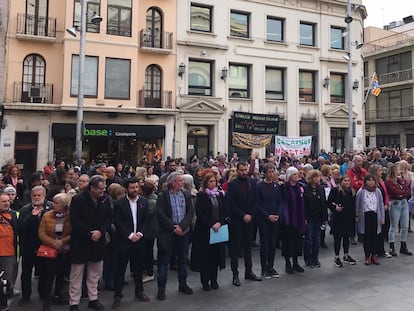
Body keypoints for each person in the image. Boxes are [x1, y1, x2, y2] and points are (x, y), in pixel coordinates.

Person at [68, 175, 112, 311]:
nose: (103, 191)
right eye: (100, 189)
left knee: (94, 273)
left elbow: (109, 217)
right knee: (76, 273)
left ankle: (93, 298)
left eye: (104, 188)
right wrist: (89, 233)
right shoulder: (78, 199)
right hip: (81, 241)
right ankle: (74, 302)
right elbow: (74, 220)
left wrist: (101, 231)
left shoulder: (106, 199)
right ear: (92, 188)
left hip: (98, 241)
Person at [111, 178, 150, 309]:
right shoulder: (119, 203)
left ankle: (139, 291)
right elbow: (117, 221)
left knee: (138, 268)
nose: (135, 190)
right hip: (124, 241)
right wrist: (129, 235)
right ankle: (117, 295)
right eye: (132, 188)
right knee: (120, 270)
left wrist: (140, 233)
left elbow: (146, 220)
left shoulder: (144, 202)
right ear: (127, 189)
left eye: (137, 187)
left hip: (139, 241)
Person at [156, 172, 194, 301]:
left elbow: (190, 213)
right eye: (179, 180)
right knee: (164, 262)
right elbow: (161, 214)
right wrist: (173, 227)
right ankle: (161, 288)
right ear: (172, 182)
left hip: (183, 233)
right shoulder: (163, 196)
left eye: (182, 180)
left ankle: (183, 284)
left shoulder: (186, 194)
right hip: (169, 234)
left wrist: (182, 227)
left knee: (183, 260)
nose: (182, 182)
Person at [190, 172, 227, 290]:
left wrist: (219, 222)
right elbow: (200, 213)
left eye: (214, 181)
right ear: (206, 183)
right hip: (205, 230)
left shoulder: (219, 195)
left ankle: (214, 279)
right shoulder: (201, 196)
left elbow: (224, 210)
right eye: (210, 181)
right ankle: (205, 281)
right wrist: (211, 224)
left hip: (218, 228)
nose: (213, 183)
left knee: (216, 256)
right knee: (206, 256)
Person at [227, 161, 261, 286]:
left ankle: (249, 271)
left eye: (245, 170)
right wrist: (243, 215)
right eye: (241, 170)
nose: (244, 172)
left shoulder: (252, 182)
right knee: (235, 248)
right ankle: (235, 274)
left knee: (248, 246)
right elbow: (231, 203)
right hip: (237, 220)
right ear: (237, 170)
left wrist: (251, 214)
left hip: (249, 219)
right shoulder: (232, 184)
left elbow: (256, 200)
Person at [17, 186, 53, 306]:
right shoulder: (24, 210)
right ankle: (26, 295)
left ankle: (43, 294)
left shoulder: (51, 207)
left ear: (44, 196)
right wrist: (32, 217)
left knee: (44, 271)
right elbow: (20, 228)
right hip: (28, 246)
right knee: (26, 272)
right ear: (31, 196)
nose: (37, 197)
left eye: (39, 195)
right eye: (34, 195)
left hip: (45, 245)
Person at [38, 193, 72, 311]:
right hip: (50, 250)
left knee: (61, 275)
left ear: (64, 205)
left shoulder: (70, 217)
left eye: (57, 203)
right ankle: (46, 301)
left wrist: (63, 241)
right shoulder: (47, 216)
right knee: (48, 276)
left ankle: (58, 295)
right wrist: (54, 243)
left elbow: (73, 232)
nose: (54, 205)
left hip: (65, 250)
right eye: (54, 202)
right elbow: (41, 233)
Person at [256, 163, 283, 279]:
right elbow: (258, 203)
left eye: (273, 172)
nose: (271, 174)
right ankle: (264, 268)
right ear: (265, 173)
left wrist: (278, 214)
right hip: (264, 219)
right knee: (265, 244)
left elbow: (280, 202)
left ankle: (271, 266)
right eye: (269, 172)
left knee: (272, 243)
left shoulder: (276, 186)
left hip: (275, 218)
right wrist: (267, 216)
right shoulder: (259, 186)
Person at [280, 166, 306, 274]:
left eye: (297, 174)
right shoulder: (284, 187)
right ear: (289, 176)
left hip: (298, 218)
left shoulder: (300, 187)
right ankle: (288, 263)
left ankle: (296, 262)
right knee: (287, 242)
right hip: (288, 218)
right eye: (294, 174)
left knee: (297, 241)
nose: (297, 176)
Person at [327, 176, 357, 267]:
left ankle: (346, 255)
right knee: (338, 238)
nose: (347, 182)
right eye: (345, 180)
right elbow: (329, 202)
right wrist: (335, 208)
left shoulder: (352, 191)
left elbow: (354, 204)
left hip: (349, 217)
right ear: (341, 181)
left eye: (348, 180)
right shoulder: (335, 191)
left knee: (346, 237)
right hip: (339, 218)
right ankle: (336, 256)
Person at [356, 175, 385, 265]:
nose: (371, 182)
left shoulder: (378, 191)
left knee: (375, 236)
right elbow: (357, 204)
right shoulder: (361, 191)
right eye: (369, 180)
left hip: (375, 215)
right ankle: (367, 255)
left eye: (373, 180)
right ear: (365, 181)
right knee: (367, 236)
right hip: (365, 215)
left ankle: (374, 255)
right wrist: (357, 215)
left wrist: (382, 217)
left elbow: (380, 204)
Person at [385, 163, 412, 256]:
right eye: (398, 169)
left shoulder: (401, 180)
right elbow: (394, 192)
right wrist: (401, 193)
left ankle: (403, 245)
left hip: (404, 202)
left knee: (404, 226)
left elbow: (408, 190)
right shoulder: (389, 181)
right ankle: (392, 246)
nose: (399, 171)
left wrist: (402, 193)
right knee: (393, 225)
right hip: (395, 202)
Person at [303, 170, 328, 268]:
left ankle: (315, 258)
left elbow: (324, 203)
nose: (318, 178)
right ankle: (308, 259)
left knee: (317, 239)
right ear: (311, 178)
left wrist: (325, 217)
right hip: (309, 217)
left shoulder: (321, 189)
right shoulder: (305, 189)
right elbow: (304, 204)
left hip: (319, 217)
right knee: (308, 239)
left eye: (319, 176)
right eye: (316, 177)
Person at [0, 194, 19, 303]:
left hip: (9, 252)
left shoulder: (15, 214)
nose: (7, 203)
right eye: (3, 201)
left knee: (7, 279)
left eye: (8, 201)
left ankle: (6, 299)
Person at [140, 180, 158, 284]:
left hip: (149, 231)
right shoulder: (150, 199)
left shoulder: (151, 202)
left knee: (148, 252)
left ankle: (150, 272)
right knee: (147, 251)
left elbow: (145, 216)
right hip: (149, 230)